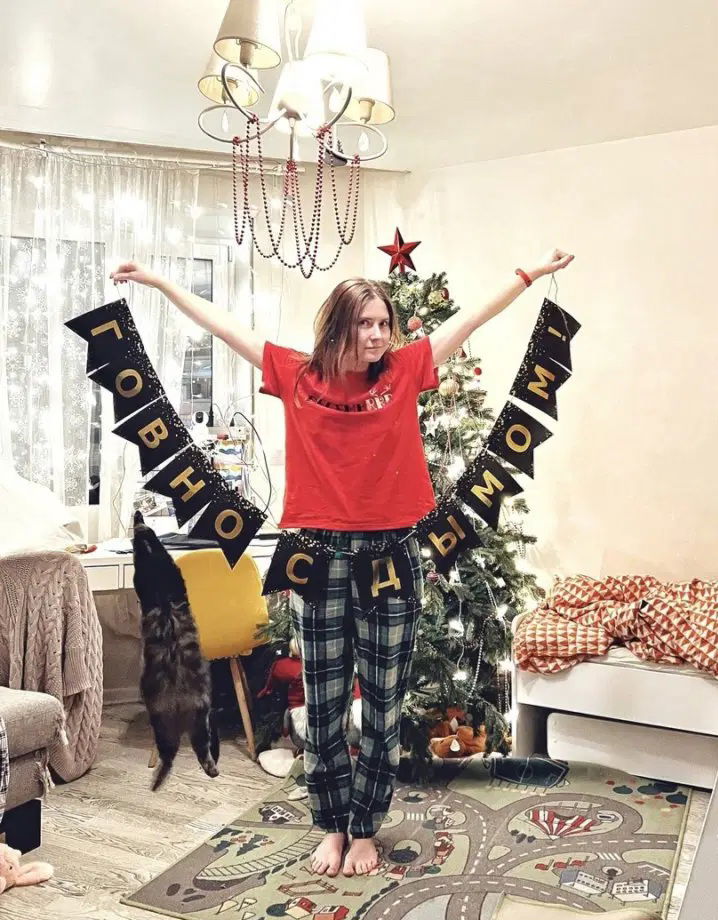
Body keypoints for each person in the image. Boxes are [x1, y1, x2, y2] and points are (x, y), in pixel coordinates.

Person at [110, 248, 574, 877]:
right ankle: (331, 823)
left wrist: (529, 274)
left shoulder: (405, 370)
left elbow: (469, 321)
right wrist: (162, 282)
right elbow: (224, 326)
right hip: (319, 555)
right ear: (339, 327)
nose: (379, 335)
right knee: (325, 701)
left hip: (392, 554)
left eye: (385, 323)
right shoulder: (296, 374)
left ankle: (365, 829)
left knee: (382, 705)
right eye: (366, 324)